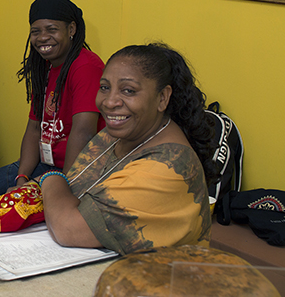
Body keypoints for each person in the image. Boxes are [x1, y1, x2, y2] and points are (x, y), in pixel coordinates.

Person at [39, 43, 219, 255]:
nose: (110, 102)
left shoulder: (166, 167)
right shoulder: (117, 134)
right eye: (105, 87)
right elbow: (74, 190)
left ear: (162, 98)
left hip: (160, 283)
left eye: (128, 91)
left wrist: (50, 177)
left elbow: (67, 228)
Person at [0, 0, 105, 201]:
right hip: (47, 162)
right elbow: (33, 128)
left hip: (77, 168)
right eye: (35, 31)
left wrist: (61, 187)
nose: (42, 38)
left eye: (52, 29)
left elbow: (84, 133)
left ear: (72, 30)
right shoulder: (44, 66)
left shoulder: (85, 66)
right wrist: (21, 179)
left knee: (17, 206)